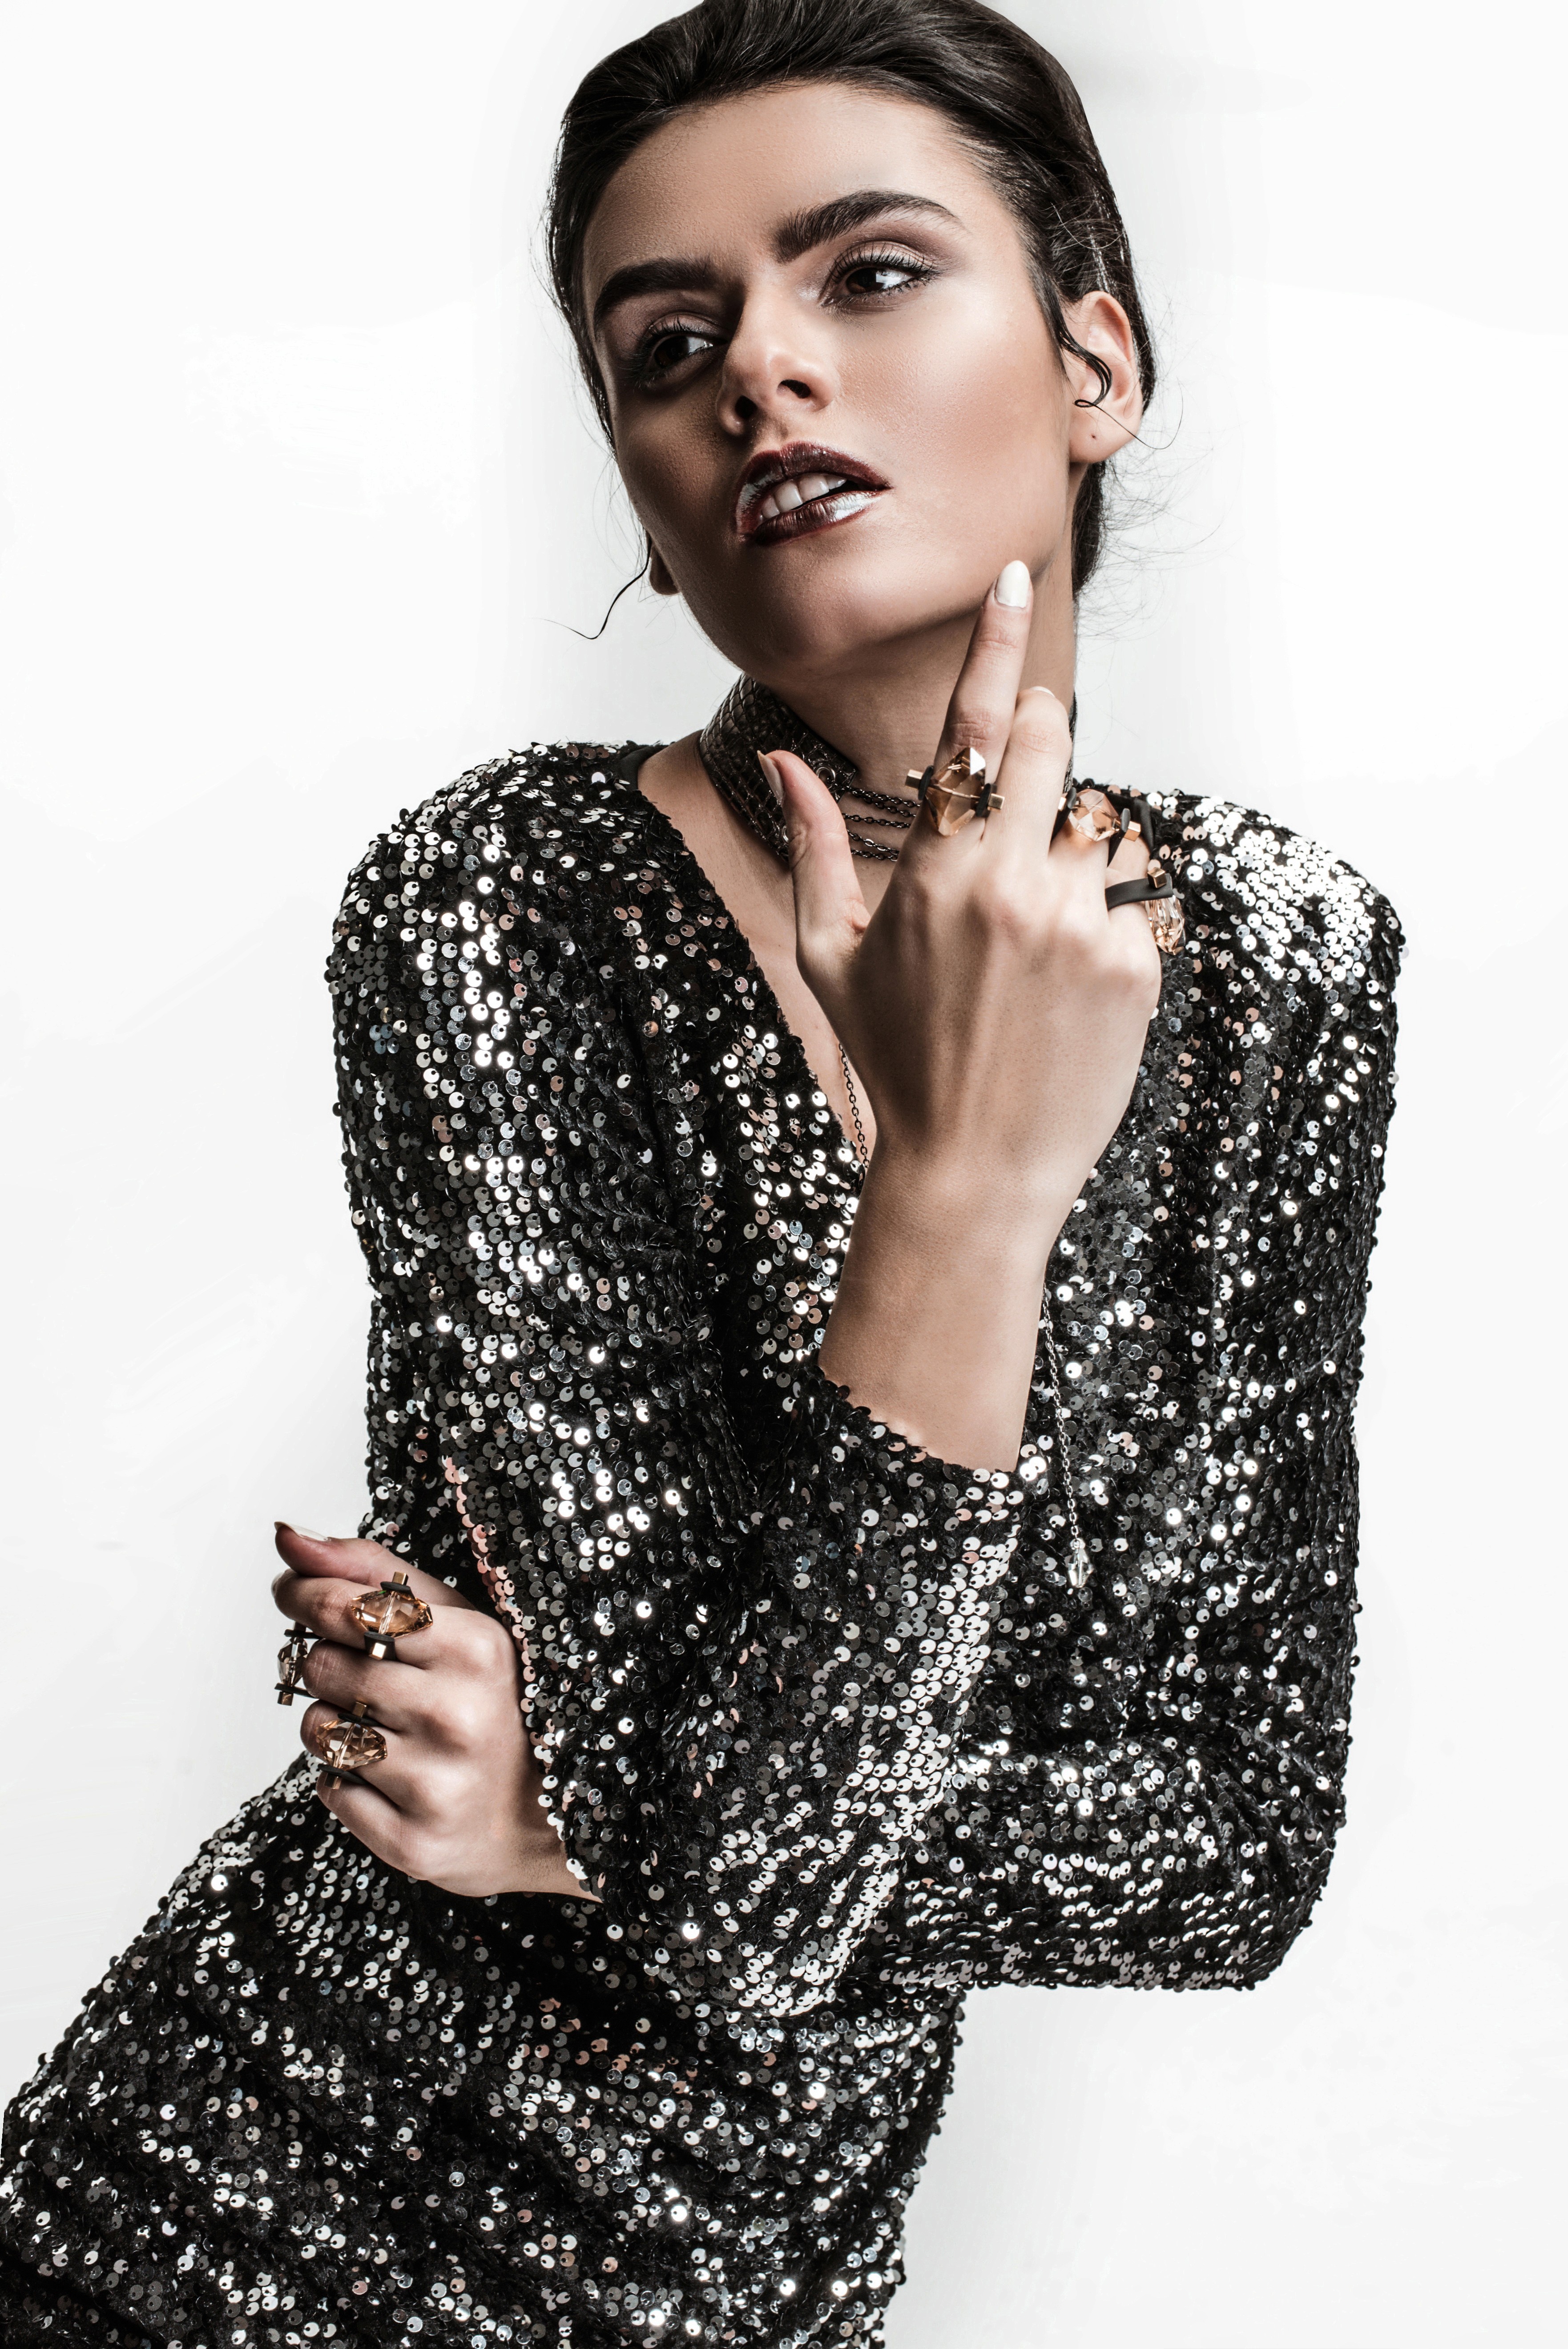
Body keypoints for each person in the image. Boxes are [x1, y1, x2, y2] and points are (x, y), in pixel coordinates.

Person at [0, 2, 1401, 2343]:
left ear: (1096, 364)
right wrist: (959, 1188)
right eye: (670, 347)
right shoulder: (505, 904)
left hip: (763, 2281)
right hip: (241, 2229)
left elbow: (1223, 1851)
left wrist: (574, 1815)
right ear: (649, 516)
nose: (761, 370)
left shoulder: (1284, 959)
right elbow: (753, 1883)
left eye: (868, 273)